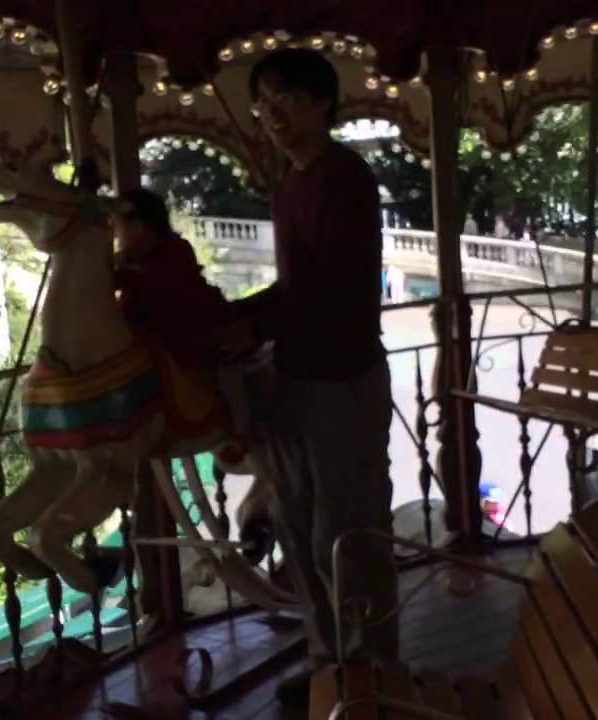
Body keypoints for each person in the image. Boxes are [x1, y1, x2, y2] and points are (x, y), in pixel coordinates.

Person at [239, 48, 399, 704]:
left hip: (340, 381)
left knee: (347, 534)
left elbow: (323, 287)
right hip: (298, 380)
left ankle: (373, 672)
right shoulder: (291, 185)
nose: (271, 113)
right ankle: (329, 660)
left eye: (285, 99)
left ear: (321, 104)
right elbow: (296, 289)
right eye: (263, 102)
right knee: (302, 532)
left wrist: (243, 321)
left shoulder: (344, 177)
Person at [110, 188, 253, 436]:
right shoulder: (131, 259)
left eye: (118, 226)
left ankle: (240, 428)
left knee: (226, 370)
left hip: (194, 337)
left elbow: (164, 289)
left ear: (137, 228)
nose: (115, 234)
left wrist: (127, 271)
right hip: (159, 343)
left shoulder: (175, 251)